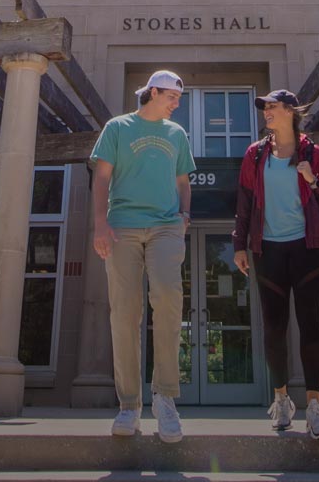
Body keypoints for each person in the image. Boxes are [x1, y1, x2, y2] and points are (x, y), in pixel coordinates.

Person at [91, 70, 196, 443]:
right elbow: (102, 177)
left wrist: (185, 216)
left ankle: (165, 399)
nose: (176, 103)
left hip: (167, 226)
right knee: (124, 312)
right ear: (153, 92)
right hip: (123, 225)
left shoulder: (177, 134)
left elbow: (183, 180)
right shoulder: (118, 127)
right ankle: (129, 405)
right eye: (172, 96)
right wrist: (100, 224)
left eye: (178, 98)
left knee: (168, 297)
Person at [232, 89, 319, 438]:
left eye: (273, 106)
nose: (266, 111)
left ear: (291, 111)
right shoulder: (255, 154)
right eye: (264, 107)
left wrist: (310, 177)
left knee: (310, 324)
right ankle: (281, 400)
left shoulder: (313, 152)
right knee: (274, 328)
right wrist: (239, 245)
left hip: (309, 247)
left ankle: (314, 407)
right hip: (269, 250)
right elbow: (245, 202)